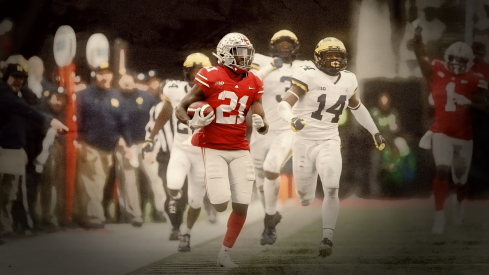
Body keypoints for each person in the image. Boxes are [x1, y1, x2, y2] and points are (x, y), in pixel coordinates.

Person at [277, 37, 386, 257]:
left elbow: (358, 107)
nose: (334, 60)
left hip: (329, 140)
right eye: (329, 56)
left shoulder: (348, 79)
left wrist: (375, 131)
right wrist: (292, 120)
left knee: (332, 186)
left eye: (338, 56)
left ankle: (327, 237)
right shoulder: (308, 74)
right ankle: (311, 176)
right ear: (319, 58)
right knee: (305, 197)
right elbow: (284, 104)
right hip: (304, 142)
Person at [174, 33, 268, 268]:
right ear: (226, 53)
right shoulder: (210, 75)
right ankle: (212, 192)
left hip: (239, 147)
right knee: (219, 203)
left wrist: (262, 124)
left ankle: (224, 254)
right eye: (239, 53)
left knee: (242, 204)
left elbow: (261, 119)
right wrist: (192, 123)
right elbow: (181, 107)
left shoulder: (254, 80)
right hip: (213, 146)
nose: (245, 58)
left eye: (247, 53)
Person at [413, 29, 489, 234]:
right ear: (447, 58)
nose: (456, 64)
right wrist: (418, 39)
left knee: (460, 180)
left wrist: (470, 103)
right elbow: (421, 59)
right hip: (441, 131)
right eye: (453, 59)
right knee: (442, 170)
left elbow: (486, 107)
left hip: (464, 136)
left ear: (470, 62)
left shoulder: (475, 78)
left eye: (461, 60)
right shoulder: (437, 70)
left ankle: (459, 202)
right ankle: (439, 216)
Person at [142, 52, 213, 251]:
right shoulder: (174, 89)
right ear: (186, 73)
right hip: (180, 149)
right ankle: (175, 206)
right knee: (173, 186)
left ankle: (186, 234)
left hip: (203, 153)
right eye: (193, 71)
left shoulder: (218, 92)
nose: (197, 75)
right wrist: (150, 137)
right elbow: (165, 113)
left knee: (195, 200)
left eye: (201, 71)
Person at [249, 30, 314, 246]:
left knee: (271, 167)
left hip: (287, 129)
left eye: (288, 44)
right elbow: (250, 82)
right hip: (262, 129)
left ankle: (268, 224)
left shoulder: (305, 66)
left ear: (295, 46)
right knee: (260, 180)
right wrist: (270, 67)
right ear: (273, 46)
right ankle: (272, 211)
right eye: (281, 44)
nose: (285, 47)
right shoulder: (261, 61)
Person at [0, 63, 67, 237]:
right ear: (6, 76)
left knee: (9, 193)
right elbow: (25, 110)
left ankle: (5, 228)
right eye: (14, 76)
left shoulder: (21, 95)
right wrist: (50, 120)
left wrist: (23, 149)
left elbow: (27, 115)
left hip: (15, 150)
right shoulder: (3, 93)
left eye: (21, 78)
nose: (18, 81)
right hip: (2, 149)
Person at [74, 63, 132, 229]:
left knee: (98, 183)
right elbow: (78, 117)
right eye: (100, 73)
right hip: (90, 144)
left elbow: (124, 122)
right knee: (91, 181)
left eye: (107, 73)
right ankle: (94, 217)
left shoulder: (116, 95)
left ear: (112, 76)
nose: (104, 76)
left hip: (109, 147)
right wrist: (78, 139)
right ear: (95, 75)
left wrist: (127, 145)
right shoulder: (85, 94)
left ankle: (84, 215)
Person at [116, 72, 158, 227]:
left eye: (129, 81)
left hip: (145, 143)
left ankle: (162, 210)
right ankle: (135, 215)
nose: (127, 84)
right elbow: (113, 120)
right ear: (119, 83)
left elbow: (156, 119)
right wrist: (120, 141)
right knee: (129, 181)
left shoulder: (147, 97)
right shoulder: (115, 97)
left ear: (134, 82)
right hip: (124, 145)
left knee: (155, 177)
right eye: (123, 82)